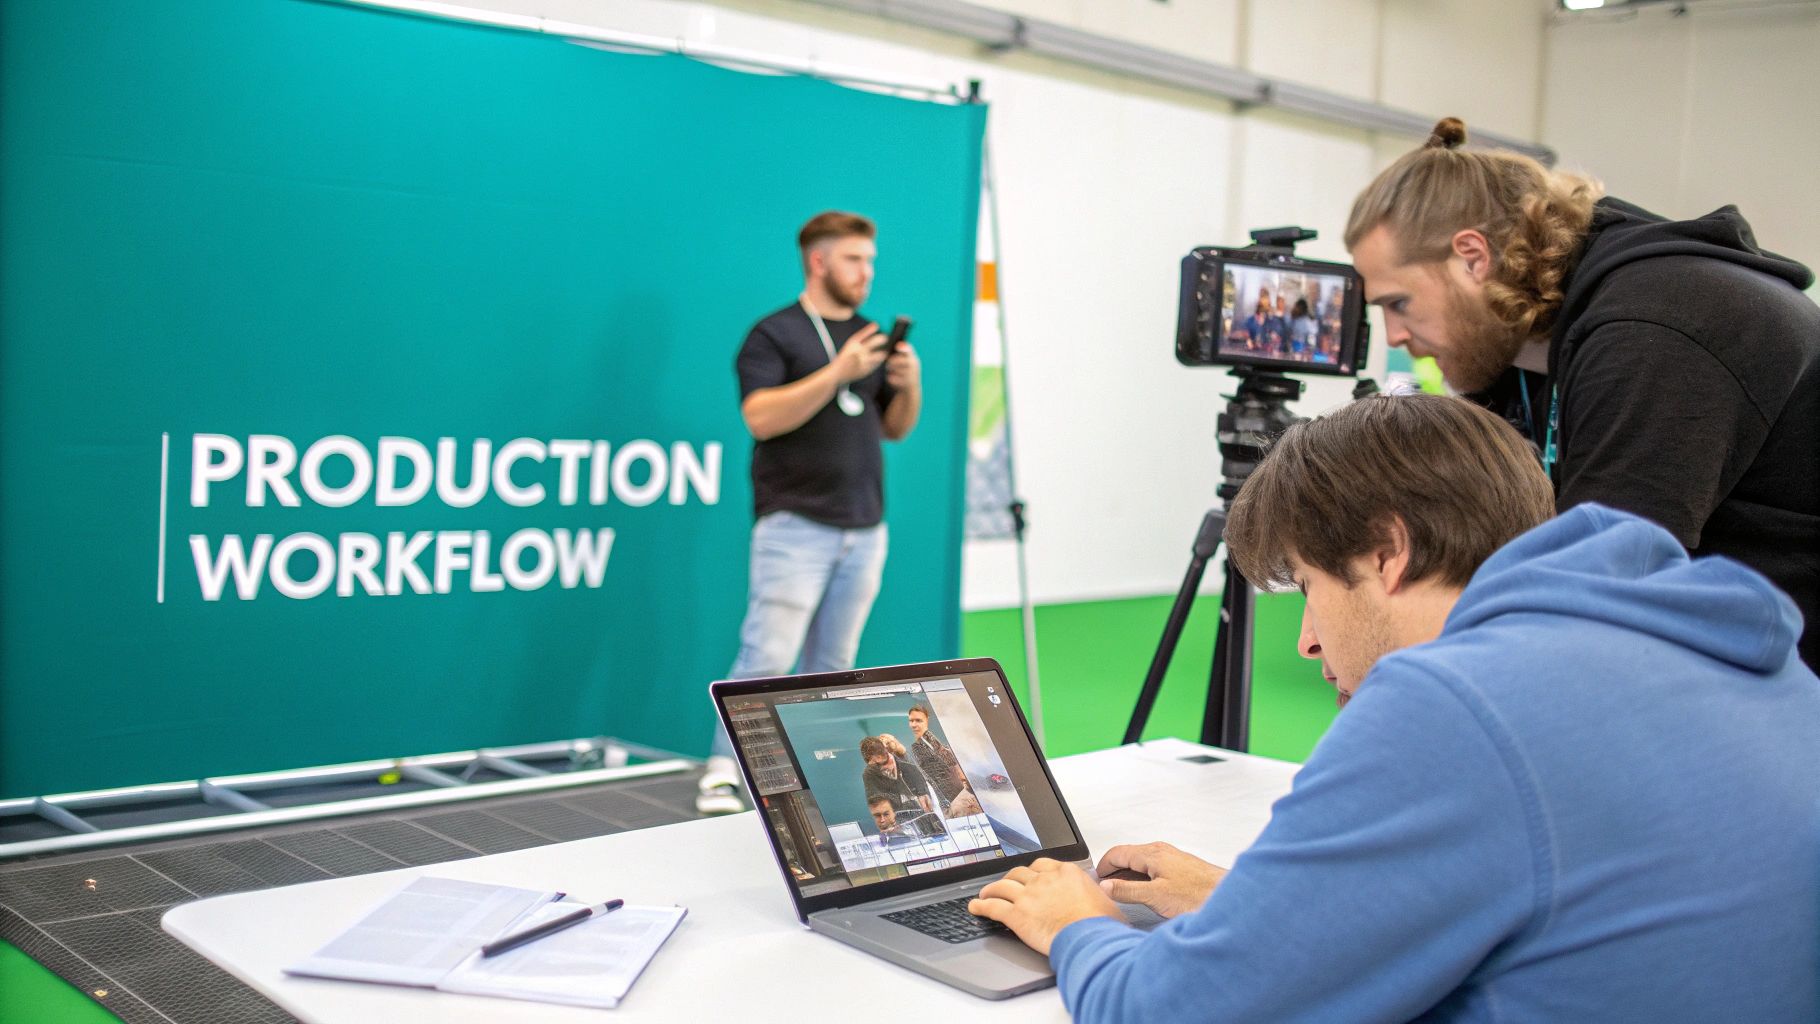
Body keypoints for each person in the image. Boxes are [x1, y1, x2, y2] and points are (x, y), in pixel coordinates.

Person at [968, 394, 1819, 1022]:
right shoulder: (1733, 654)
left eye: (1307, 585)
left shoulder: (1458, 700)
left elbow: (1176, 1013)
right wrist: (1253, 909)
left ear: (1387, 552)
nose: (1305, 639)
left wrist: (1076, 923)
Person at [1345, 116, 1819, 667]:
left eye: (1397, 303)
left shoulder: (1654, 328)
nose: (1395, 335)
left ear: (1473, 257)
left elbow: (1602, 587)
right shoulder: (1525, 351)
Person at [698, 211, 924, 814]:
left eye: (871, 261)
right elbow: (760, 417)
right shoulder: (775, 334)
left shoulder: (870, 334)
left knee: (834, 664)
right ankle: (724, 771)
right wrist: (838, 372)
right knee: (767, 655)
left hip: (864, 527)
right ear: (819, 261)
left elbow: (895, 428)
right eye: (855, 259)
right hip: (795, 525)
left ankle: (810, 782)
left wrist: (909, 382)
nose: (867, 272)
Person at [858, 735, 934, 820]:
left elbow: (922, 782)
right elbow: (875, 799)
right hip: (903, 817)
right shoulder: (869, 773)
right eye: (873, 763)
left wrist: (922, 794)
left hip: (926, 811)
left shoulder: (907, 765)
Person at [905, 703, 966, 806]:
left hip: (954, 791)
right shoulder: (917, 745)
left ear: (927, 720)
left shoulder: (929, 740)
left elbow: (950, 763)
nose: (914, 724)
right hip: (943, 796)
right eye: (911, 721)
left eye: (918, 720)